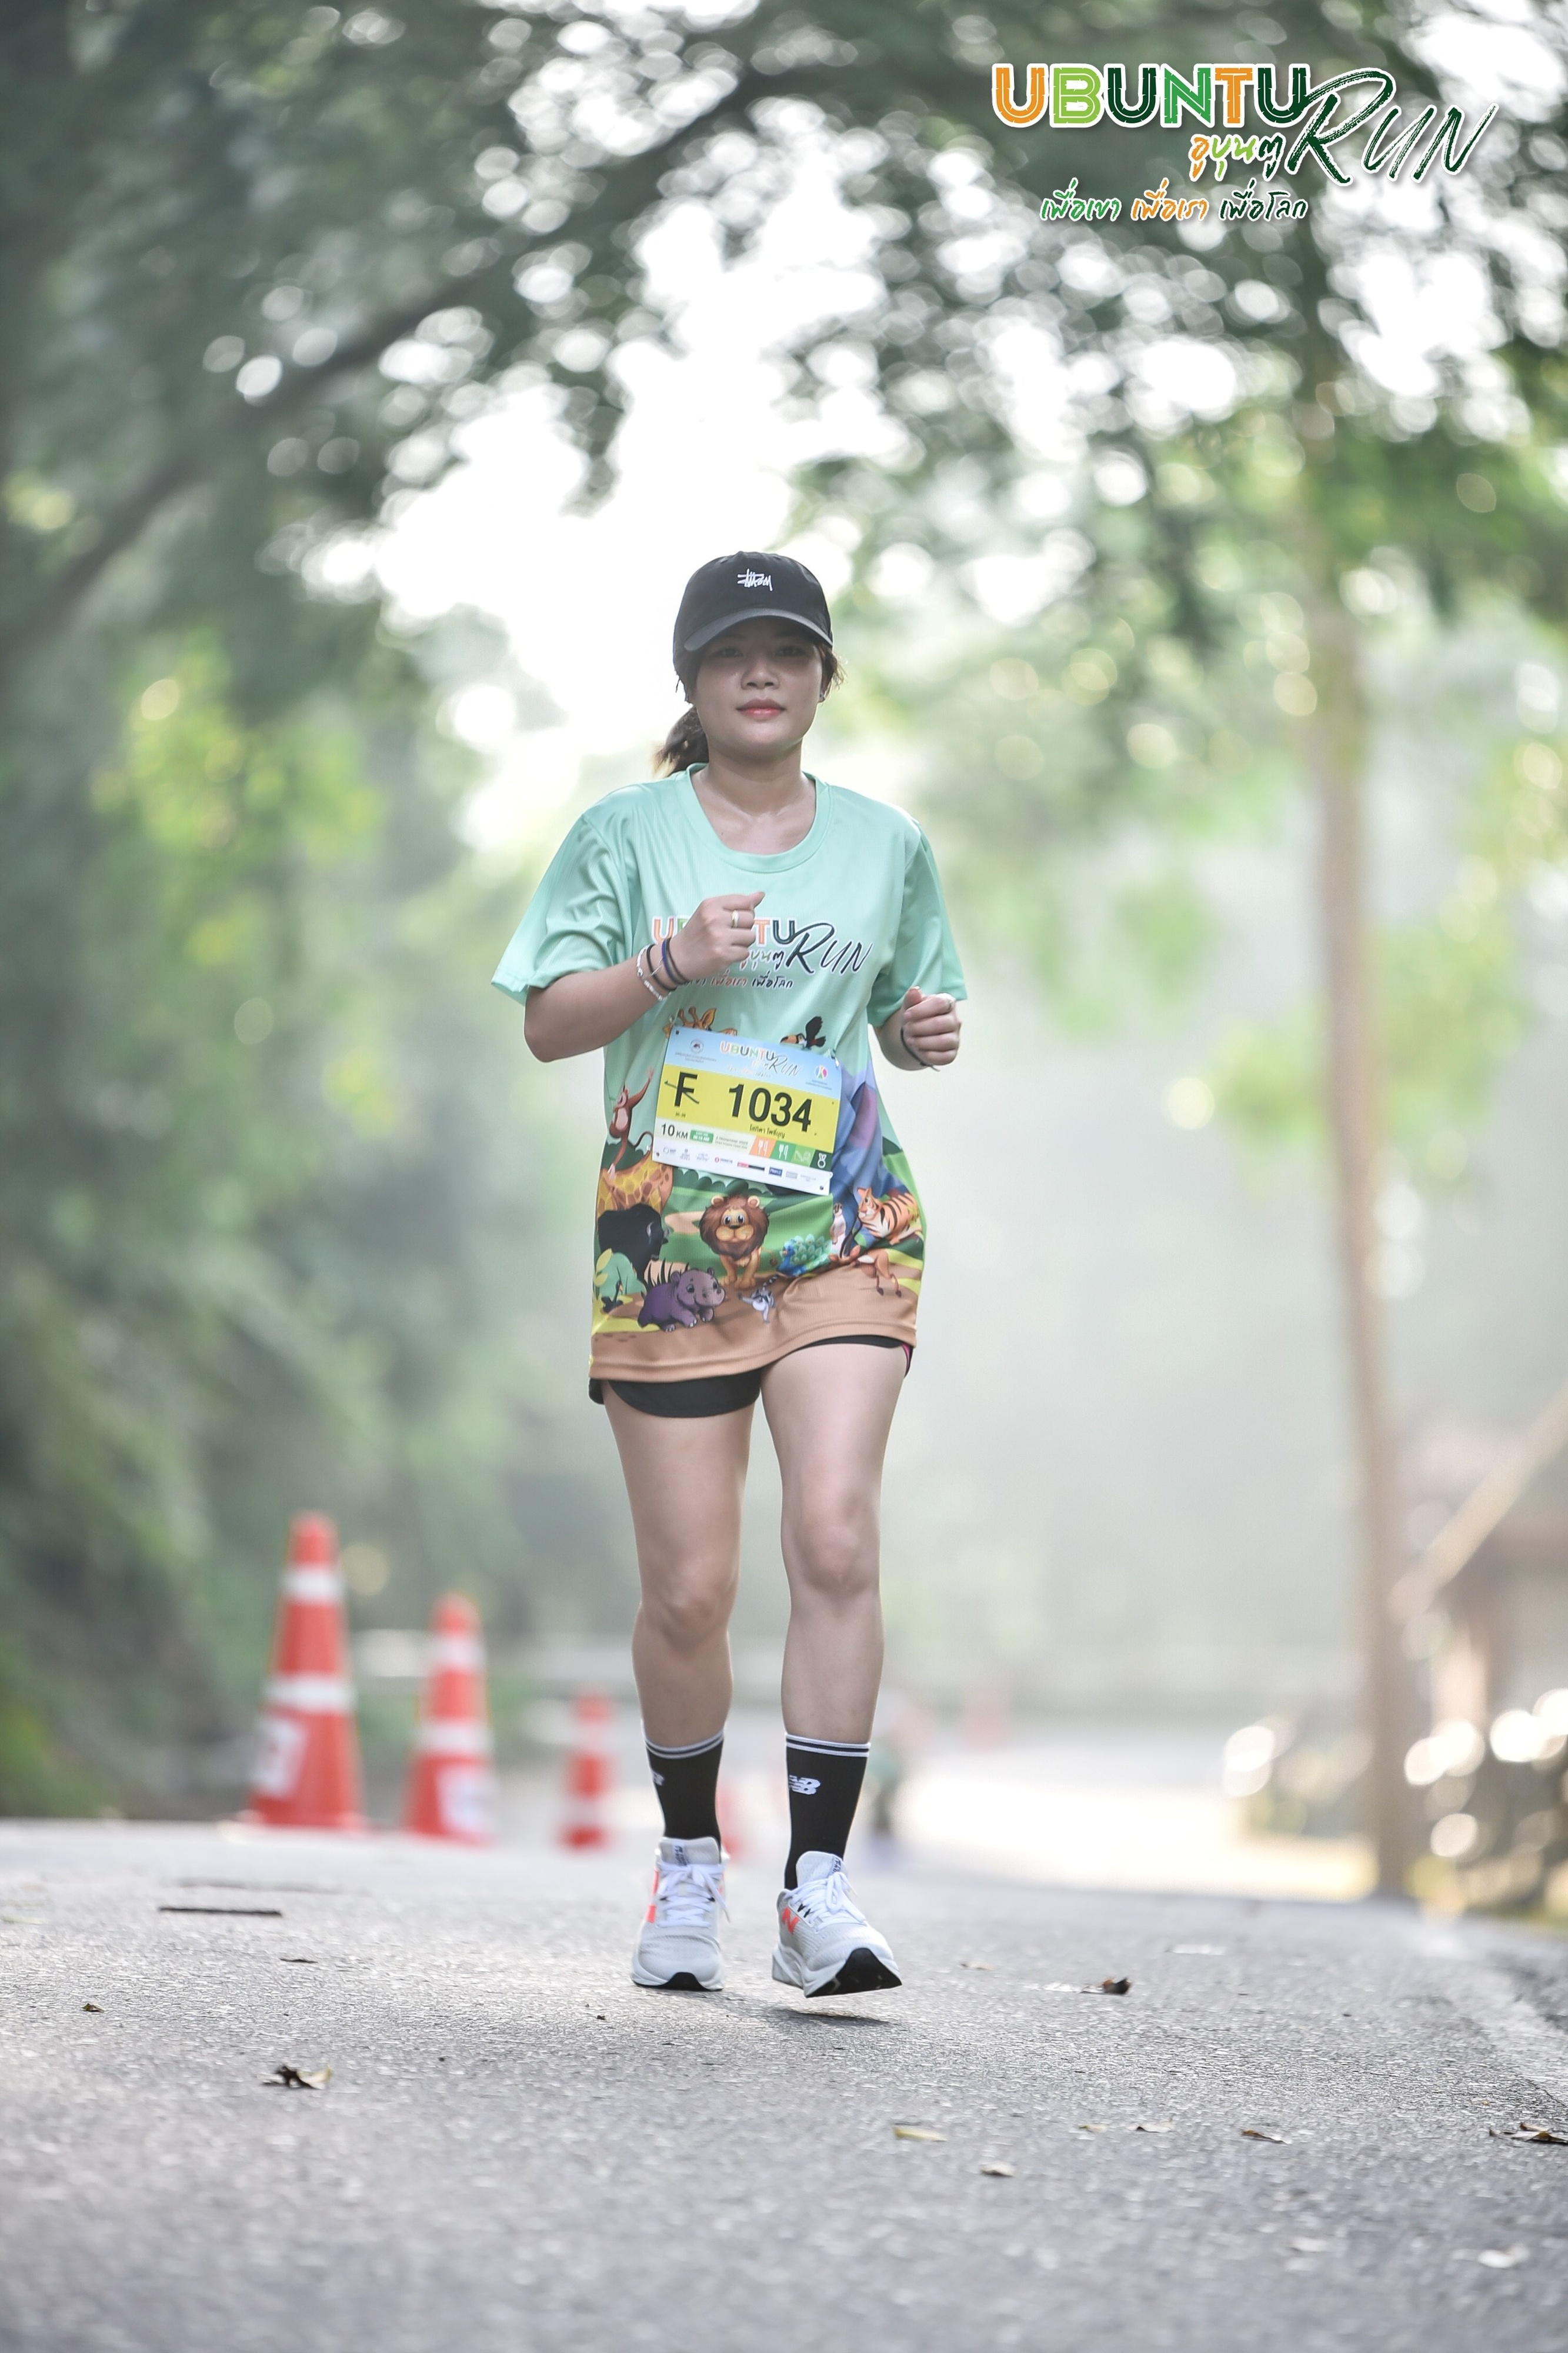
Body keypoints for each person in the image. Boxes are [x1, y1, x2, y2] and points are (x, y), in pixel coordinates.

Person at [493, 550, 964, 1998]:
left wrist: (920, 1032)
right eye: (731, 651)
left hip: (844, 1224)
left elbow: (905, 1009)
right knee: (690, 1589)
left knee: (835, 1534)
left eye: (789, 649)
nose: (761, 670)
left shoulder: (884, 844)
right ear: (694, 683)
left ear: (822, 678)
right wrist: (667, 961)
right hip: (670, 1243)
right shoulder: (622, 835)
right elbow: (548, 1023)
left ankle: (817, 1885)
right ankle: (690, 1857)